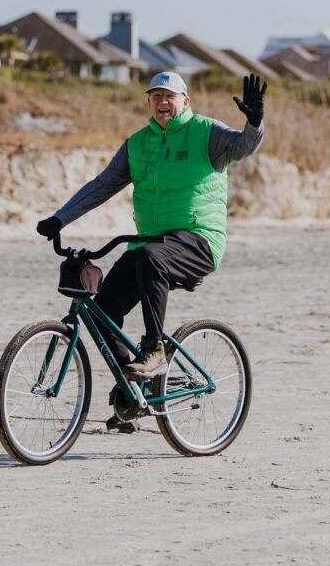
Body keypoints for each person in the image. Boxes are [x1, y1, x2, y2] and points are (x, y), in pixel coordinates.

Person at [36, 71, 266, 429]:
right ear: (148, 102)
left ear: (185, 101)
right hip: (150, 244)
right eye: (156, 96)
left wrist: (254, 121)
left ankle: (154, 346)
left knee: (148, 258)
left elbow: (244, 146)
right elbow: (103, 185)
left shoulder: (206, 132)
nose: (162, 102)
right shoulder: (137, 144)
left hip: (198, 239)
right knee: (102, 312)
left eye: (170, 96)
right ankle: (131, 393)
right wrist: (60, 219)